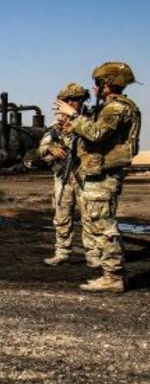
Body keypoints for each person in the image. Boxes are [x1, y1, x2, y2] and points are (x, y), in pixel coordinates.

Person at [55, 61, 141, 293]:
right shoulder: (112, 107)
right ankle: (109, 272)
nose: (94, 88)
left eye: (97, 83)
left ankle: (113, 276)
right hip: (96, 173)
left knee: (104, 225)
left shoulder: (116, 108)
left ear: (108, 84)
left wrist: (73, 116)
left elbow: (97, 133)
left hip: (104, 174)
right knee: (97, 222)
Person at [39, 83, 90, 266]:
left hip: (85, 175)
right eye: (66, 100)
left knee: (90, 217)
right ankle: (62, 252)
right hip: (63, 175)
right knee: (62, 215)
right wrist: (51, 148)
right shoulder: (56, 125)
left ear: (82, 100)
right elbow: (41, 147)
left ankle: (93, 256)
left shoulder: (89, 120)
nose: (70, 102)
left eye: (74, 99)